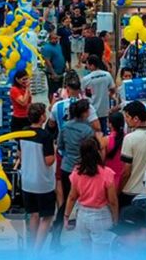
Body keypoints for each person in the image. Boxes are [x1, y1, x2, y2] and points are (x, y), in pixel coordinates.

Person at [64, 135, 117, 247]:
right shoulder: (107, 173)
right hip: (101, 215)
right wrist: (115, 218)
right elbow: (112, 200)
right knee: (101, 254)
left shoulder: (77, 172)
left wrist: (66, 216)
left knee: (85, 253)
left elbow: (72, 197)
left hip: (82, 215)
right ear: (98, 152)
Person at [55, 98, 94, 238]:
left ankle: (57, 230)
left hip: (66, 167)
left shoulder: (65, 127)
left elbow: (60, 146)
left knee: (66, 200)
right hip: (82, 169)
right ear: (84, 112)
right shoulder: (88, 130)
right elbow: (90, 151)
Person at [19, 102, 56, 249]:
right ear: (42, 117)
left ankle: (32, 244)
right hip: (43, 182)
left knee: (33, 214)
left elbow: (20, 155)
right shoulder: (45, 136)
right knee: (46, 216)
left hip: (27, 181)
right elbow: (48, 161)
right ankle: (37, 250)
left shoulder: (23, 133)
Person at [82, 57, 116, 129]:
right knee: (104, 130)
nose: (86, 67)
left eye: (87, 64)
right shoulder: (107, 75)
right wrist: (108, 96)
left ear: (92, 65)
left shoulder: (86, 79)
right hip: (104, 109)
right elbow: (113, 89)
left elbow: (82, 94)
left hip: (92, 111)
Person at [41, 29, 66, 100]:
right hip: (52, 73)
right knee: (52, 90)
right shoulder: (47, 48)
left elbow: (61, 56)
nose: (55, 40)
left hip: (60, 71)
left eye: (56, 38)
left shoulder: (58, 45)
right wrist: (53, 73)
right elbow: (47, 62)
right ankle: (52, 105)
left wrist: (65, 66)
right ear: (49, 39)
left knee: (60, 89)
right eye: (54, 38)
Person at [104, 110, 125, 190]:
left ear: (110, 124)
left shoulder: (106, 140)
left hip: (109, 178)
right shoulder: (127, 138)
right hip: (124, 178)